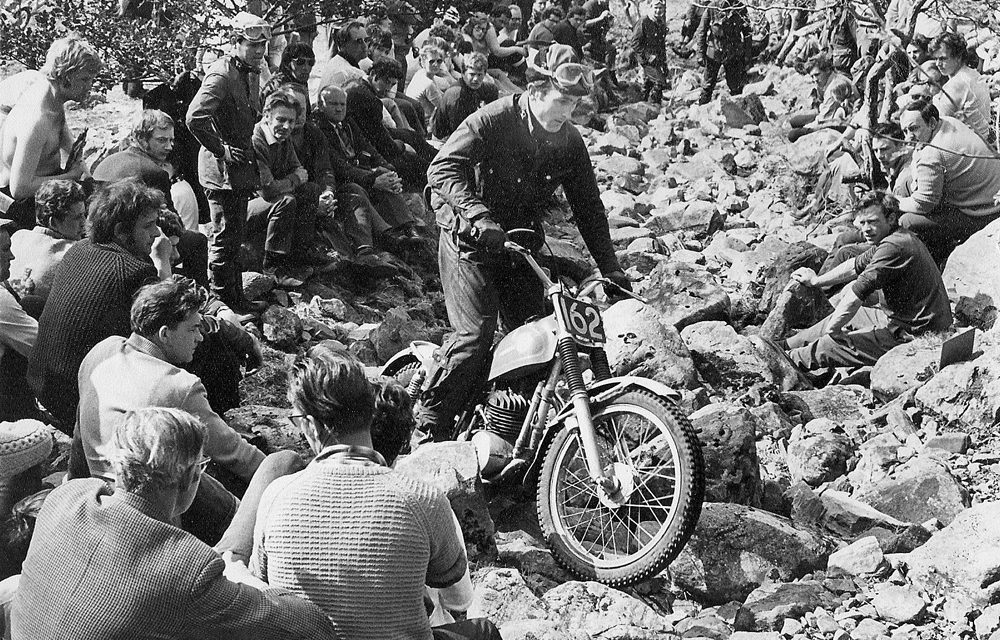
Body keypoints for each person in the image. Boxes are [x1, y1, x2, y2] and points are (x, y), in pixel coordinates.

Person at [417, 44, 630, 440]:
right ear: (535, 91)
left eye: (575, 104)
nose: (567, 113)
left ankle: (509, 426)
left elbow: (588, 208)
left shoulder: (568, 140)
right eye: (562, 100)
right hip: (469, 240)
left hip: (520, 244)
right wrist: (479, 216)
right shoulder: (493, 119)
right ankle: (428, 424)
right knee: (475, 336)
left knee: (540, 335)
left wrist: (611, 266)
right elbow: (442, 168)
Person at [11, 407, 340, 640]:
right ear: (191, 477)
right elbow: (311, 627)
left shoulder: (65, 498)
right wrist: (245, 579)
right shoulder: (187, 570)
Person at [249, 346, 501, 640]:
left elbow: (262, 585)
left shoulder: (276, 496)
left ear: (311, 425)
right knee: (482, 631)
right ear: (371, 412)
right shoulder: (424, 499)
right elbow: (457, 596)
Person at [75, 275, 265, 544]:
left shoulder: (101, 351)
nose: (200, 337)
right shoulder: (178, 386)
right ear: (164, 333)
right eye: (193, 330)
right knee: (209, 480)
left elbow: (80, 431)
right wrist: (281, 472)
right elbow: (234, 453)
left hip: (98, 490)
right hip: (148, 507)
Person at [27, 179, 161, 432]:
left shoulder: (78, 249)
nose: (156, 234)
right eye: (149, 226)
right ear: (122, 231)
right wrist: (162, 261)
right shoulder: (135, 271)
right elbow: (167, 332)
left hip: (41, 387)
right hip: (76, 403)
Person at [784, 191, 952, 379]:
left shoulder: (894, 247)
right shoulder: (894, 237)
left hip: (917, 336)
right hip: (905, 322)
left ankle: (785, 362)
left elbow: (857, 294)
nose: (866, 229)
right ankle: (787, 345)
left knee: (829, 344)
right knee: (853, 317)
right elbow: (853, 265)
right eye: (862, 223)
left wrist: (834, 331)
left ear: (891, 218)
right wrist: (817, 281)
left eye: (872, 222)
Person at [186, 12, 272, 313]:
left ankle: (237, 297)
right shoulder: (221, 75)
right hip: (220, 170)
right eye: (252, 45)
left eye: (263, 46)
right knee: (223, 239)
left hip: (240, 168)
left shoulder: (251, 71)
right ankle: (223, 304)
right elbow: (195, 118)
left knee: (235, 235)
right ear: (235, 42)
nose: (260, 52)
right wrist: (220, 150)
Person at [92, 109, 211, 289]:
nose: (169, 147)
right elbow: (172, 222)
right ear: (141, 139)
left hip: (100, 242)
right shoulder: (153, 173)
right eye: (161, 140)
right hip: (135, 244)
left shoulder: (105, 163)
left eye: (171, 140)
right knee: (198, 242)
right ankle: (201, 301)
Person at [312, 86, 426, 262]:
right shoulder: (318, 129)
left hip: (358, 171)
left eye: (342, 104)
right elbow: (338, 166)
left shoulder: (347, 122)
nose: (339, 108)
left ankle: (407, 227)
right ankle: (383, 238)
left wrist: (386, 167)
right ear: (320, 105)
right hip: (341, 180)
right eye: (333, 104)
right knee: (358, 188)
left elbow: (367, 147)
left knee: (385, 175)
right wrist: (373, 178)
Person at [0, 36, 101, 230]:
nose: (90, 86)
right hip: (20, 204)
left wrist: (88, 178)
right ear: (65, 76)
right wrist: (71, 177)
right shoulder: (37, 119)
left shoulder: (54, 99)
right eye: (85, 79)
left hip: (48, 188)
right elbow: (19, 189)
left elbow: (69, 144)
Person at [897, 99, 1000, 264]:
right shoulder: (948, 122)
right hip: (990, 196)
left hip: (983, 213)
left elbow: (923, 204)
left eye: (913, 129)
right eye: (905, 131)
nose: (908, 137)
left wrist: (895, 203)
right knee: (905, 184)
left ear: (931, 122)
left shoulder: (932, 154)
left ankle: (934, 262)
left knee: (907, 221)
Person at [248, 90, 334, 287]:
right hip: (247, 205)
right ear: (267, 115)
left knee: (311, 189)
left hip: (273, 196)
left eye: (291, 121)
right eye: (281, 119)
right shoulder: (256, 139)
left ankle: (300, 254)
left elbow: (298, 168)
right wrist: (293, 180)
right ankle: (272, 266)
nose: (286, 126)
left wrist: (292, 179)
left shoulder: (283, 137)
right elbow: (267, 189)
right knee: (287, 201)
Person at [346, 58, 437, 189]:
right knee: (415, 161)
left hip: (374, 139)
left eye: (392, 84)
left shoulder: (359, 86)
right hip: (370, 151)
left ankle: (439, 159)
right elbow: (383, 143)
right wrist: (402, 146)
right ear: (373, 75)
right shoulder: (368, 98)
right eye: (386, 82)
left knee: (412, 136)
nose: (388, 88)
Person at [7, 179, 85, 307]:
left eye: (84, 215)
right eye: (77, 217)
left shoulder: (18, 237)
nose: (84, 222)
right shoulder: (72, 252)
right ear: (53, 222)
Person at [929, 32, 992, 143]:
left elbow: (938, 122)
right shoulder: (973, 74)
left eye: (943, 58)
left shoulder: (957, 84)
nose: (938, 64)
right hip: (981, 140)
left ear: (958, 57)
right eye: (936, 59)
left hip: (967, 145)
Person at [787, 53, 859, 142]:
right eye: (812, 76)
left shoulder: (835, 86)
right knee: (794, 121)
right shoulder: (829, 79)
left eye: (817, 74)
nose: (815, 79)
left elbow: (825, 119)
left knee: (793, 135)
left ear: (827, 70)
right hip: (833, 113)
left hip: (843, 121)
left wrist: (808, 127)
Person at [433, 52, 500, 139]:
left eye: (479, 75)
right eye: (471, 74)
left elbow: (492, 90)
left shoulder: (479, 86)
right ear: (463, 74)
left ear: (484, 74)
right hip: (446, 140)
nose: (476, 79)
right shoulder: (457, 96)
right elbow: (459, 134)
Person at [695, 0, 751, 105]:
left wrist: (747, 55)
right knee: (707, 86)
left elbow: (748, 33)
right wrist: (700, 54)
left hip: (733, 53)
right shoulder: (712, 7)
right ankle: (701, 112)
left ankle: (739, 115)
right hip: (714, 53)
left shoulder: (740, 8)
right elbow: (701, 31)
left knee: (736, 87)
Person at [312, 21, 371, 102]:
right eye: (359, 41)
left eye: (366, 40)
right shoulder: (351, 73)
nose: (365, 46)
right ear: (343, 44)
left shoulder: (336, 61)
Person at [630, 0, 667, 101]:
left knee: (651, 81)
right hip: (645, 58)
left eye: (660, 8)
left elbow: (661, 45)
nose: (658, 11)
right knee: (659, 82)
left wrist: (664, 62)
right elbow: (634, 43)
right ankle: (654, 106)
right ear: (650, 8)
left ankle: (643, 99)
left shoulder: (661, 23)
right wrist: (647, 56)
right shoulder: (644, 21)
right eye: (655, 8)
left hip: (656, 58)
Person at [406, 42, 448, 130]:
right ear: (423, 62)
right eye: (431, 61)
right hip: (426, 125)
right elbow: (444, 109)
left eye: (439, 61)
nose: (436, 64)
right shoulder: (428, 84)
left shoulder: (421, 73)